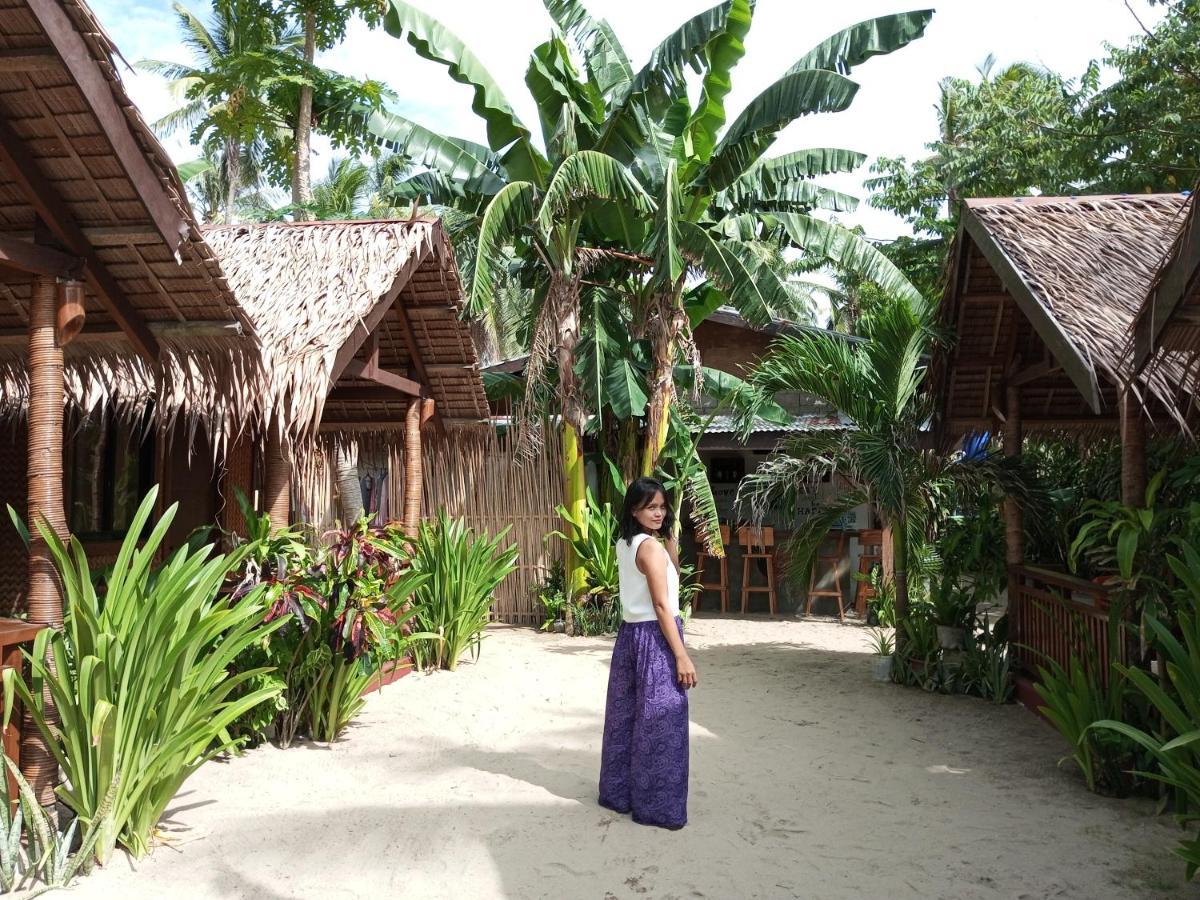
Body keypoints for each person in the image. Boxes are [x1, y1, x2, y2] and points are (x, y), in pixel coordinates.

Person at [598, 477, 697, 829]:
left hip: (629, 637)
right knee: (662, 722)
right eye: (650, 507)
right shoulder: (648, 549)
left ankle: (619, 793)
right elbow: (661, 603)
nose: (658, 512)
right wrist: (681, 655)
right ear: (635, 510)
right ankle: (656, 807)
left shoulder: (626, 543)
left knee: (627, 717)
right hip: (656, 638)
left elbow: (671, 574)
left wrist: (670, 533)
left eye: (662, 506)